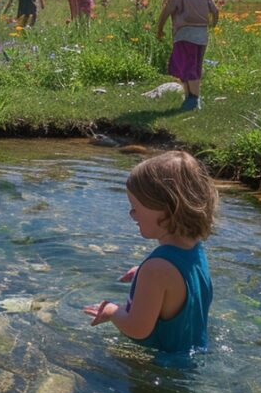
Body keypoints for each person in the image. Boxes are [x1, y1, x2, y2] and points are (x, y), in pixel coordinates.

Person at [82, 150, 217, 356]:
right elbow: (179, 288)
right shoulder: (194, 250)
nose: (132, 214)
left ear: (165, 209)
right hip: (192, 355)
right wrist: (140, 273)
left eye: (136, 207)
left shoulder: (155, 270)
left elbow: (138, 329)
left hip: (160, 366)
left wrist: (112, 311)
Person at [155, 0, 219, 111]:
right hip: (202, 36)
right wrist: (212, 24)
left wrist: (160, 28)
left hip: (184, 35)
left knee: (185, 66)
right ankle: (190, 97)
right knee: (194, 65)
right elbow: (215, 12)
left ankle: (193, 99)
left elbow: (166, 12)